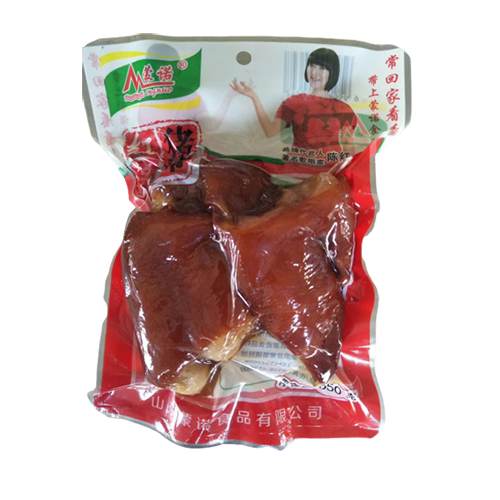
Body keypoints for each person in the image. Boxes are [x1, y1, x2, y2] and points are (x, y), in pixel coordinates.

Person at [230, 48, 358, 167]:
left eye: (322, 68)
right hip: (295, 169)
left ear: (332, 73)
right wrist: (254, 97)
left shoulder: (343, 109)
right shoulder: (293, 103)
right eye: (312, 65)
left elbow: (349, 152)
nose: (314, 72)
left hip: (329, 172)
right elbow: (270, 131)